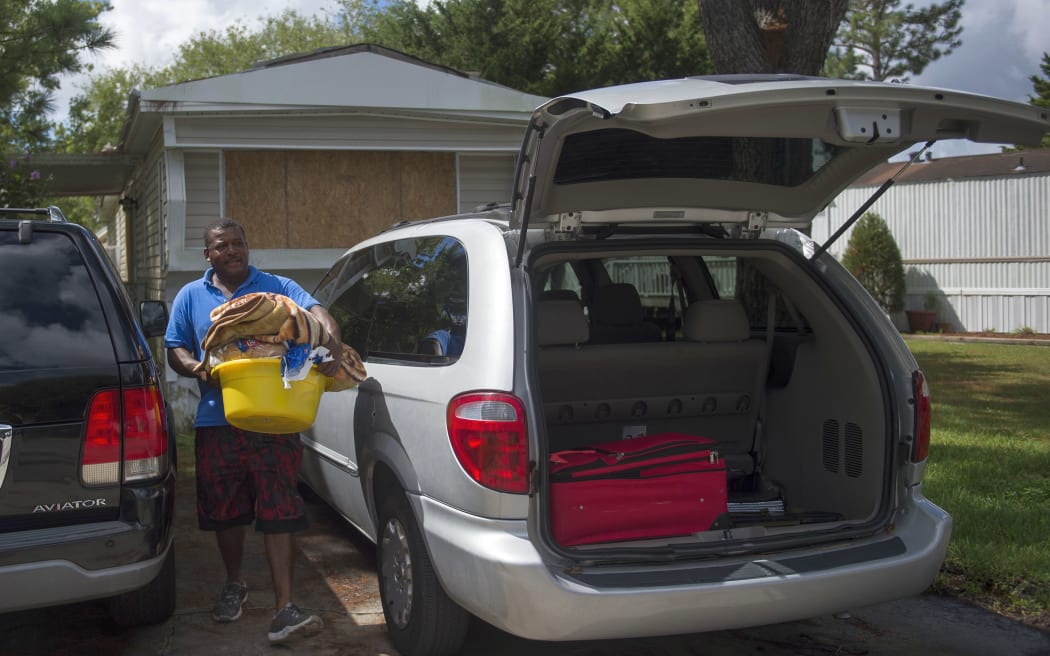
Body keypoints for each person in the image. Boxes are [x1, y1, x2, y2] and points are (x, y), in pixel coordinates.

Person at [165, 218, 343, 644]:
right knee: (224, 511)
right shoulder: (191, 296)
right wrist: (196, 367)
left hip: (275, 416)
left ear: (247, 247)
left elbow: (319, 314)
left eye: (238, 243)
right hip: (217, 417)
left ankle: (285, 607)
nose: (232, 251)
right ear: (207, 254)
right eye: (221, 246)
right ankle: (234, 582)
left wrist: (331, 344)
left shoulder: (276, 287)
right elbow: (174, 347)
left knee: (280, 507)